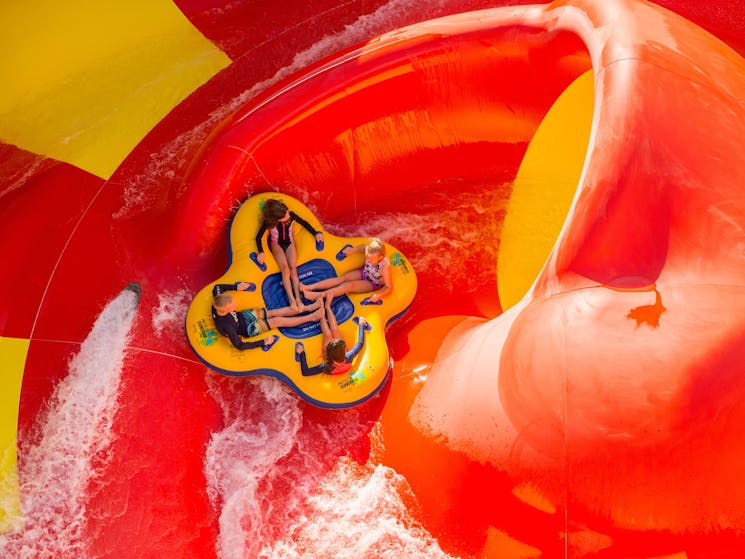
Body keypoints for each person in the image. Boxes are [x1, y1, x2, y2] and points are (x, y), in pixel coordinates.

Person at [255, 199, 324, 311]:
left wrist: (315, 233)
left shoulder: (291, 216)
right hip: (276, 244)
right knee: (285, 269)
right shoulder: (269, 223)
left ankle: (298, 300)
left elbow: (304, 223)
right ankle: (292, 300)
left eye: (287, 213)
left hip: (289, 243)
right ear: (277, 219)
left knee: (293, 269)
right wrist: (261, 252)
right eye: (285, 216)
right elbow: (259, 237)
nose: (288, 215)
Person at [212, 282, 322, 350]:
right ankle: (311, 317)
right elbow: (239, 345)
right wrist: (263, 342)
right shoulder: (226, 326)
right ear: (226, 311)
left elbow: (217, 287)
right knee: (277, 321)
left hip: (243, 316)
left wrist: (236, 287)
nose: (235, 305)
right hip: (247, 329)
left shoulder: (218, 301)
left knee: (274, 312)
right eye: (233, 306)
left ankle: (309, 308)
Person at [295, 293, 369, 376]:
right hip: (337, 360)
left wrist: (301, 353)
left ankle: (321, 312)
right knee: (335, 330)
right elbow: (360, 343)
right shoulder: (349, 356)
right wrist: (361, 324)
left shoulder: (327, 366)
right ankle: (327, 307)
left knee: (328, 334)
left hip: (332, 361)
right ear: (344, 353)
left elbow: (306, 372)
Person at [301, 237, 391, 303]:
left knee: (348, 286)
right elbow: (362, 248)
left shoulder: (384, 267)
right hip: (365, 272)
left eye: (372, 259)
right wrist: (352, 250)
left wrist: (379, 295)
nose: (369, 260)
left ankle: (319, 295)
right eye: (368, 257)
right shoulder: (369, 249)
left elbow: (389, 287)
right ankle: (310, 287)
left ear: (380, 257)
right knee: (342, 278)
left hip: (372, 283)